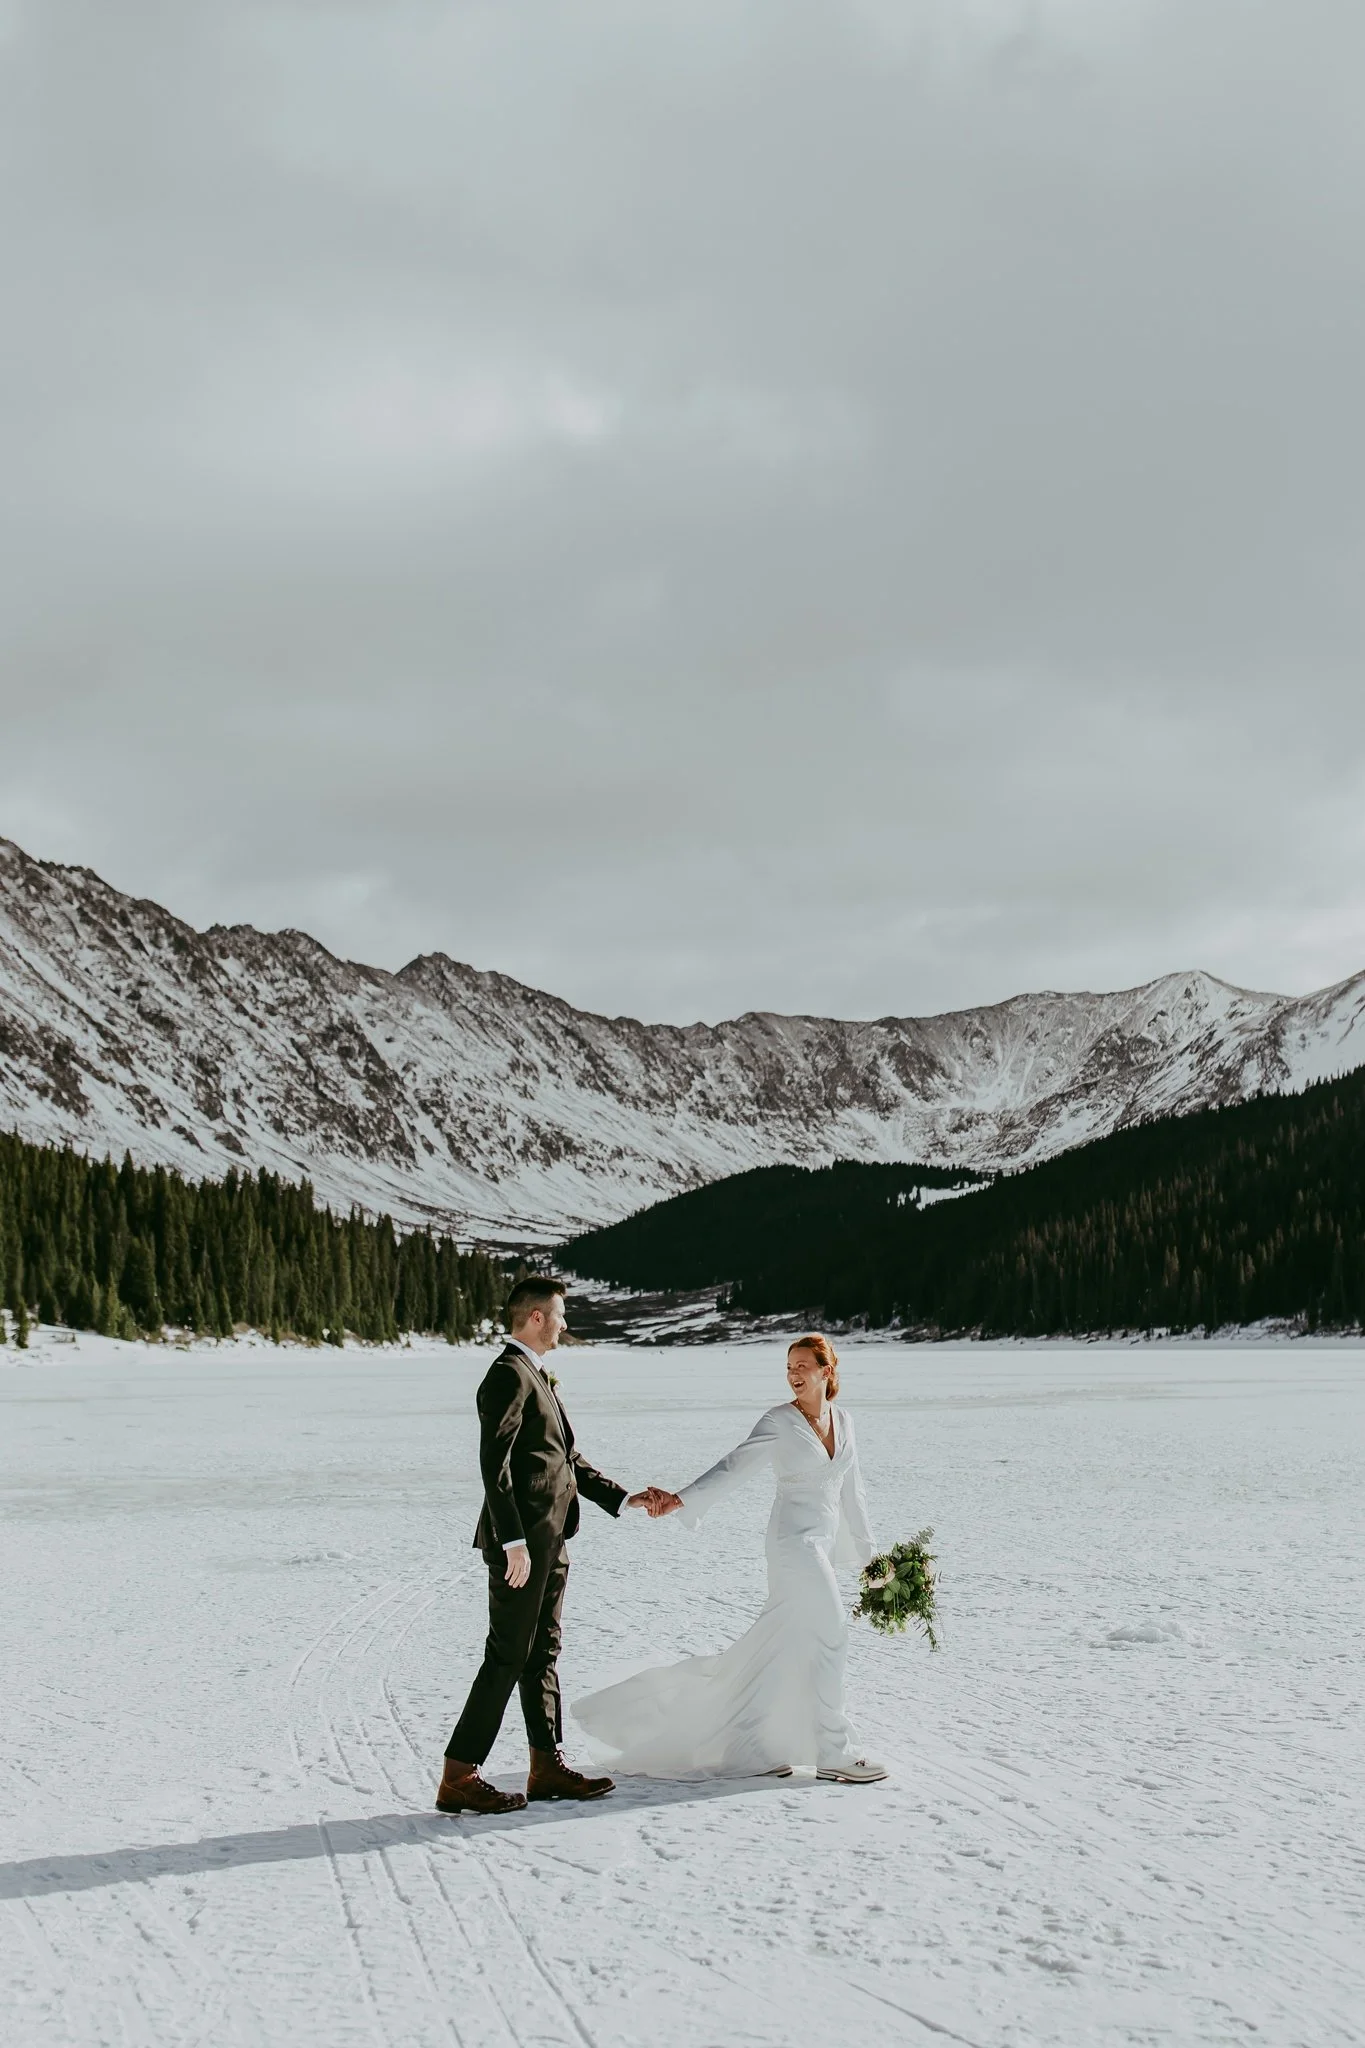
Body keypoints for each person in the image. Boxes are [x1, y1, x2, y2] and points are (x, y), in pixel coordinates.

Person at [573, 1335, 889, 1784]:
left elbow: (853, 1494)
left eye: (803, 1366)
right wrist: (681, 1500)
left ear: (826, 1371)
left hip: (822, 1543)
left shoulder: (846, 1422)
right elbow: (733, 1467)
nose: (794, 1374)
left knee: (782, 1643)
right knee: (832, 1632)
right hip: (792, 1546)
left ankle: (749, 1745)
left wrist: (870, 1558)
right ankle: (834, 1751)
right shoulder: (780, 1421)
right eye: (788, 1367)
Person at [436, 1277, 670, 1816]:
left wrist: (624, 1497)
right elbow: (492, 1468)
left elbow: (565, 1459)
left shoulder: (534, 1374)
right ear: (536, 1318)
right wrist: (514, 1540)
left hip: (550, 1539)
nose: (566, 1324)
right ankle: (459, 1776)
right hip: (521, 1546)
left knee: (542, 1652)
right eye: (560, 1315)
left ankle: (546, 1766)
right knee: (506, 1656)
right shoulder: (506, 1377)